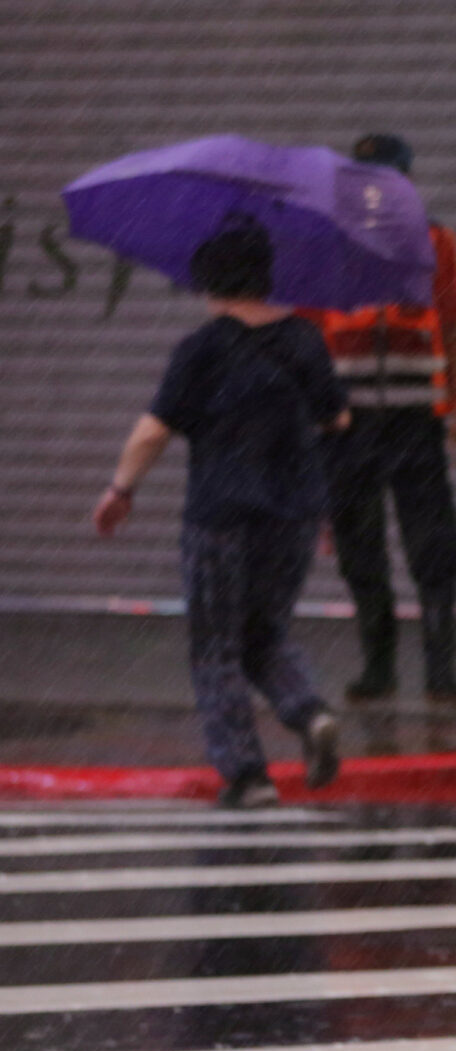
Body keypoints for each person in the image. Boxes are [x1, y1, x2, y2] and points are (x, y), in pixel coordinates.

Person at [93, 224, 347, 809]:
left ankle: (247, 774)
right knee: (265, 633)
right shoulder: (305, 340)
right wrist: (324, 505)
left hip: (222, 515)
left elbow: (154, 431)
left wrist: (120, 489)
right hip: (293, 517)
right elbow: (336, 423)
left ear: (211, 282)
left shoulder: (203, 349)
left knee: (216, 646)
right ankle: (310, 714)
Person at [307, 133, 456, 706]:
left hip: (414, 423)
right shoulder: (329, 245)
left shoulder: (435, 242)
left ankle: (442, 670)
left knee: (434, 547)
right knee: (359, 547)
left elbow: (452, 330)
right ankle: (378, 666)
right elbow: (310, 340)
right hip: (347, 424)